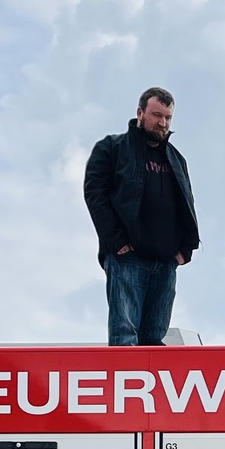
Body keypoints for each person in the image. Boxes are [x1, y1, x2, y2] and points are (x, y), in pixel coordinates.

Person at [83, 87, 199, 346]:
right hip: (128, 257)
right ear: (140, 112)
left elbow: (187, 204)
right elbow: (95, 194)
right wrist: (116, 241)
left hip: (166, 263)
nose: (163, 122)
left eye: (168, 117)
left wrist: (185, 248)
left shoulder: (177, 159)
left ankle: (149, 387)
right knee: (125, 338)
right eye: (157, 115)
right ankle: (123, 386)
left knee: (154, 341)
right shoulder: (112, 148)